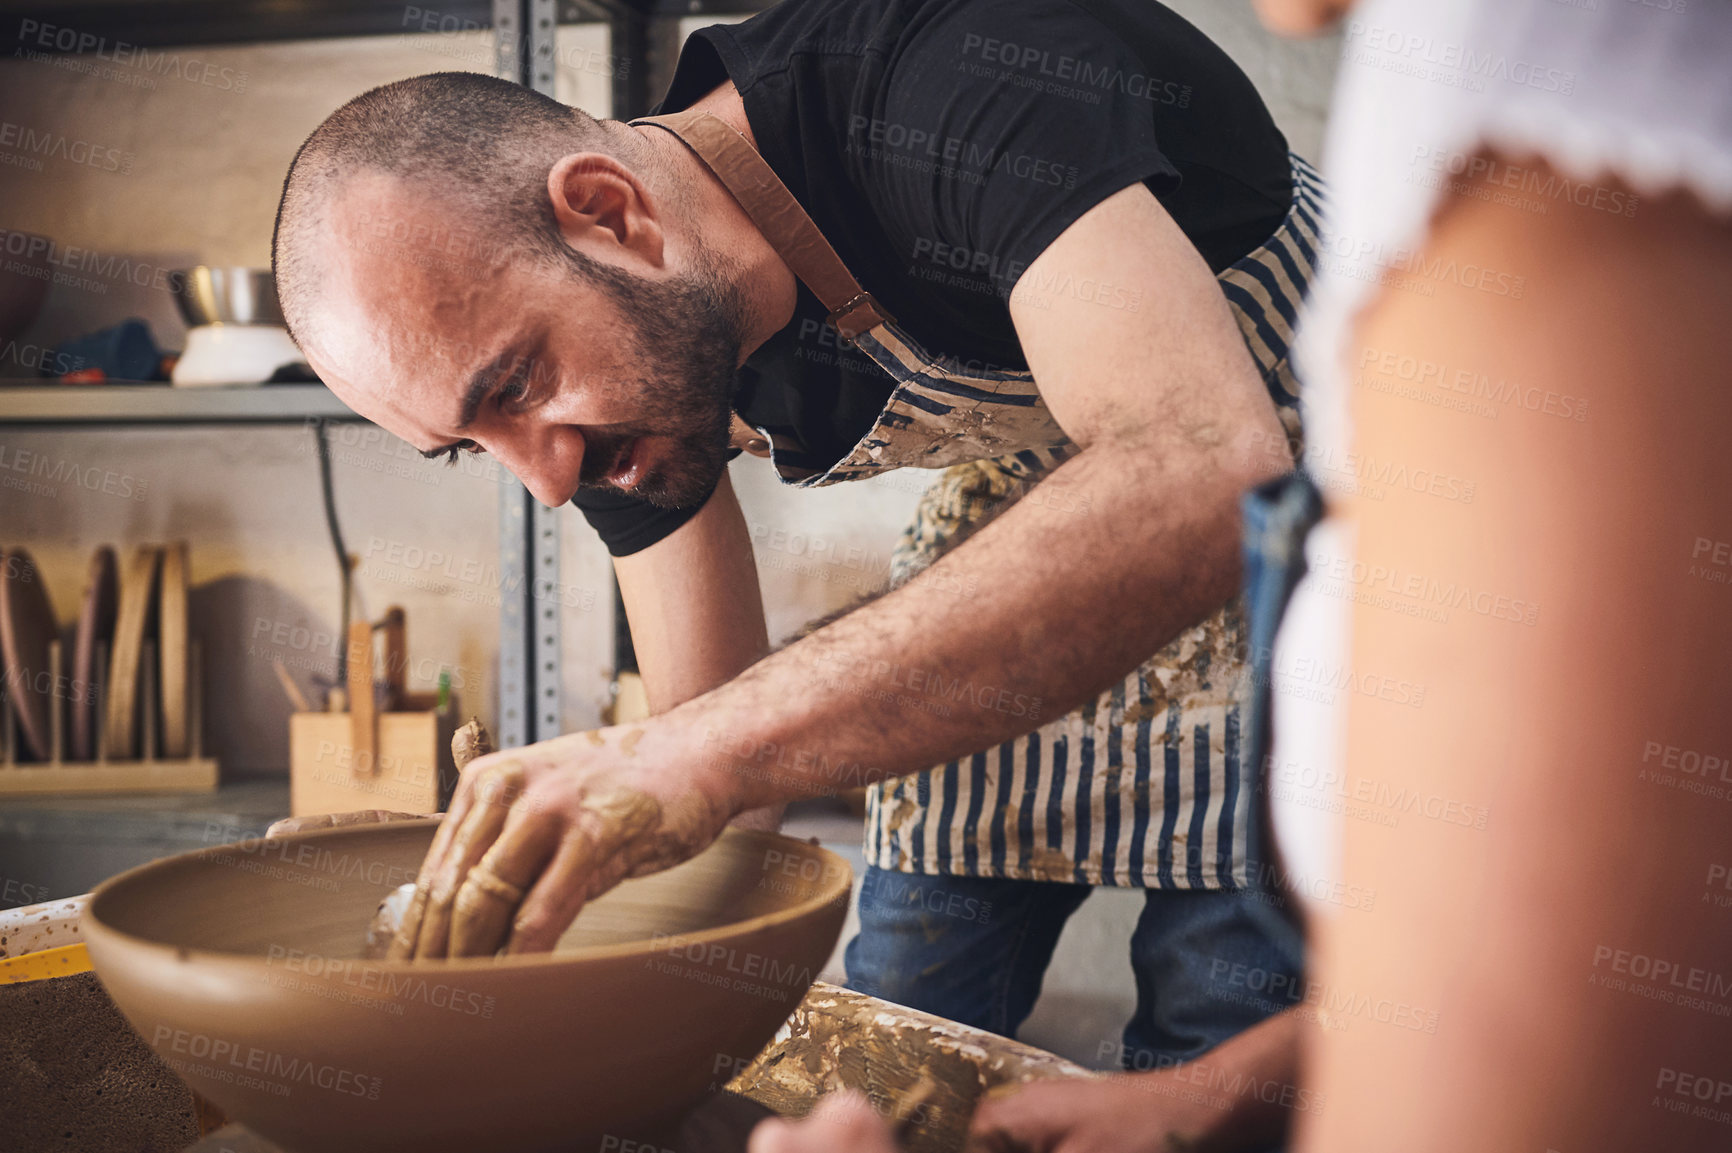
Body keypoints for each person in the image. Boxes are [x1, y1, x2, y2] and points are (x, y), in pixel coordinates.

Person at [272, 0, 1325, 1092]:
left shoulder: (958, 79)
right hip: (1042, 511)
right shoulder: (616, 389)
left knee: (1212, 1045)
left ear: (609, 211)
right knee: (887, 1040)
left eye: (513, 386)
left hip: (1323, 516)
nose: (542, 478)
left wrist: (697, 752)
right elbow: (714, 786)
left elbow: (1201, 469)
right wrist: (480, 912)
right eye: (467, 444)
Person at [753, 0, 1732, 1149]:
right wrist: (1196, 1101)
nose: (549, 468)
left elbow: (1562, 1046)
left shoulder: (1567, 111)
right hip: (1025, 618)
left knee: (1210, 982)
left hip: (1203, 594)